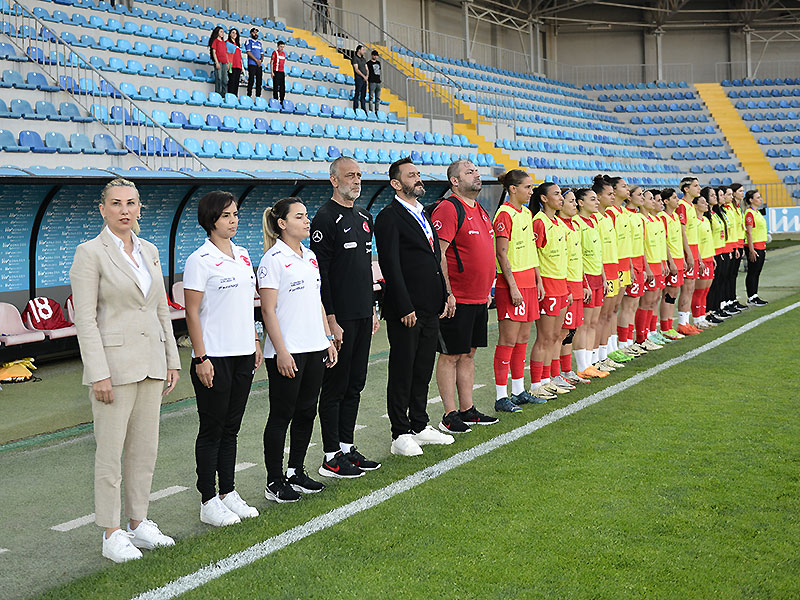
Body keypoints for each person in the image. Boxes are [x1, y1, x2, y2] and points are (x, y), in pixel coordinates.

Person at [69, 178, 180, 563]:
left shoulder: (149, 250)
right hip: (113, 368)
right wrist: (97, 371)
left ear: (139, 207)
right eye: (116, 204)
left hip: (151, 362)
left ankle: (138, 522)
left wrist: (172, 358)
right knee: (110, 454)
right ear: (103, 209)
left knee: (144, 451)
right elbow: (84, 319)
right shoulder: (89, 253)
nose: (124, 210)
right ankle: (111, 532)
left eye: (131, 203)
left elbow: (160, 308)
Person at [183, 191, 263, 527]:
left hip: (244, 353)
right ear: (211, 219)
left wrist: (256, 341)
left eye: (236, 214)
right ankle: (208, 499)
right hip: (214, 356)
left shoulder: (243, 255)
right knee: (212, 429)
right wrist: (201, 357)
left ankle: (228, 492)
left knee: (231, 428)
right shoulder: (199, 260)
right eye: (227, 215)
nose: (234, 220)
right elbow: (191, 312)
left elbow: (248, 304)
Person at [258, 198, 338, 503]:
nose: (307, 221)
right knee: (282, 415)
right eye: (300, 216)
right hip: (287, 351)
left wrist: (327, 337)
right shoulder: (273, 260)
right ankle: (274, 481)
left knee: (306, 411)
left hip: (314, 346)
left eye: (307, 216)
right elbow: (268, 311)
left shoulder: (310, 256)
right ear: (282, 224)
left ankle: (296, 472)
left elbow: (316, 301)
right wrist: (281, 351)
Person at [374, 158, 453, 457]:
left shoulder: (424, 213)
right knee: (402, 369)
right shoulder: (389, 217)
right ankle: (400, 432)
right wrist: (404, 304)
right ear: (396, 184)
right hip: (406, 309)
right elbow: (390, 264)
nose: (418, 179)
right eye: (411, 175)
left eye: (418, 174)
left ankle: (419, 423)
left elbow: (434, 259)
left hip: (430, 305)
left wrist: (445, 294)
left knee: (422, 367)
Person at [310, 157, 381, 478]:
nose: (356, 180)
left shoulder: (365, 217)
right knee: (336, 386)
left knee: (356, 383)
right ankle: (330, 456)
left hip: (364, 313)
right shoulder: (324, 218)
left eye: (359, 175)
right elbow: (322, 275)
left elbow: (364, 269)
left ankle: (347, 447)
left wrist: (373, 309)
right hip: (340, 318)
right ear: (334, 181)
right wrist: (331, 319)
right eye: (349, 175)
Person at [430, 160, 499, 431]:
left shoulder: (480, 209)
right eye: (470, 172)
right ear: (455, 181)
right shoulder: (449, 209)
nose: (477, 175)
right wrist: (447, 292)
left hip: (479, 297)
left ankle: (467, 408)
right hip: (457, 298)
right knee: (450, 355)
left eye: (477, 171)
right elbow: (440, 254)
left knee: (468, 354)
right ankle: (449, 414)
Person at [492, 170, 547, 410]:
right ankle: (500, 396)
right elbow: (501, 254)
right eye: (527, 187)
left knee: (523, 339)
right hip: (511, 285)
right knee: (508, 340)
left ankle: (518, 391)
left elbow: (532, 252)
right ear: (513, 189)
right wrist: (512, 286)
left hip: (529, 283)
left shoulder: (526, 212)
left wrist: (538, 282)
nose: (531, 191)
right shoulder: (504, 214)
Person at [528, 182, 571, 397]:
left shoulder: (558, 223)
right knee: (544, 337)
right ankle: (537, 384)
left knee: (556, 335)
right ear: (544, 198)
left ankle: (549, 378)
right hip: (548, 285)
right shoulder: (539, 222)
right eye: (556, 194)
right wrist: (539, 283)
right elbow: (533, 254)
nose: (561, 198)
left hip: (561, 284)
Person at [556, 189, 591, 387]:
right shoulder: (559, 226)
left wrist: (584, 283)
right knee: (561, 333)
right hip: (565, 285)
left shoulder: (574, 226)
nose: (575, 205)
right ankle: (557, 373)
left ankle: (567, 370)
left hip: (578, 284)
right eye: (571, 202)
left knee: (571, 330)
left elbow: (578, 260)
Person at [573, 188, 608, 379]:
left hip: (597, 277)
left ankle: (591, 363)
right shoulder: (577, 223)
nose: (597, 202)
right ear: (580, 202)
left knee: (594, 321)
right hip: (585, 278)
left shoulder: (593, 221)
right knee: (584, 324)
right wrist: (585, 281)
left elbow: (598, 252)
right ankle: (582, 365)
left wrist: (602, 276)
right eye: (592, 199)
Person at [676, 177, 703, 335]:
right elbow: (682, 232)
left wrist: (696, 253)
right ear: (686, 189)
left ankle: (686, 321)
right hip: (687, 250)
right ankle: (681, 323)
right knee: (686, 287)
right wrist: (688, 254)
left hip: (693, 249)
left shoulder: (691, 206)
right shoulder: (682, 206)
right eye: (695, 185)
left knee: (691, 287)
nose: (699, 188)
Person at [658, 188, 686, 340]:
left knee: (674, 293)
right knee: (668, 293)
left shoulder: (675, 216)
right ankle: (665, 327)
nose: (677, 200)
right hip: (671, 260)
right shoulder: (663, 217)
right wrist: (670, 261)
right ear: (666, 201)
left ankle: (669, 326)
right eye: (674, 198)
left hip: (679, 259)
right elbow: (665, 242)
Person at [691, 187, 716, 329]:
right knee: (698, 291)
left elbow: (708, 241)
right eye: (702, 202)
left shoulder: (706, 220)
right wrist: (699, 259)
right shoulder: (694, 222)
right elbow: (696, 242)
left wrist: (711, 257)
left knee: (706, 290)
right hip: (701, 260)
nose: (706, 204)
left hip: (709, 258)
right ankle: (696, 319)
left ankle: (702, 316)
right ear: (695, 205)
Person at [743, 189, 768, 306]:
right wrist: (751, 249)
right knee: (752, 272)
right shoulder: (749, 213)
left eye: (760, 197)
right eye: (757, 197)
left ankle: (755, 295)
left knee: (757, 272)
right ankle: (751, 296)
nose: (760, 199)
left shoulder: (757, 212)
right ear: (751, 200)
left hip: (760, 246)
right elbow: (749, 232)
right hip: (755, 247)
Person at [209, 26, 229, 97]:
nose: (222, 33)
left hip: (224, 62)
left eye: (223, 32)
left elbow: (225, 53)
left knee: (224, 79)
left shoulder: (224, 42)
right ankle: (218, 93)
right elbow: (214, 52)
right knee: (219, 78)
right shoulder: (215, 41)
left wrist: (227, 63)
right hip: (219, 62)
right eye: (221, 31)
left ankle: (224, 94)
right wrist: (216, 62)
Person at [244, 28, 263, 97]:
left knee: (259, 81)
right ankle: (249, 95)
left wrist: (260, 60)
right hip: (252, 64)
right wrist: (256, 60)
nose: (256, 34)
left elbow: (262, 53)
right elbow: (248, 52)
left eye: (257, 33)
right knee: (251, 80)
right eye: (254, 32)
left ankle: (258, 97)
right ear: (251, 33)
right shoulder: (248, 41)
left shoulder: (259, 43)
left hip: (259, 65)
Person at [351, 44, 368, 112]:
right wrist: (363, 76)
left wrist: (367, 76)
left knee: (363, 95)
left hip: (364, 79)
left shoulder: (363, 59)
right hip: (359, 79)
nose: (364, 51)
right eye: (363, 50)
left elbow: (367, 69)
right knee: (357, 93)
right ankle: (355, 108)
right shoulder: (355, 58)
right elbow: (356, 69)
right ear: (359, 50)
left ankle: (363, 109)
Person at [226, 29, 243, 96]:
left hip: (238, 65)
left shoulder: (237, 44)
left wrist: (241, 67)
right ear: (230, 34)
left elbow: (239, 56)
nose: (234, 34)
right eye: (233, 32)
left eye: (236, 33)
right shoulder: (227, 43)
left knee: (236, 83)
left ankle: (235, 96)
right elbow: (226, 54)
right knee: (231, 82)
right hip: (232, 65)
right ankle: (230, 96)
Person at [270, 40, 287, 104]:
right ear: (277, 46)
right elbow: (271, 62)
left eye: (283, 47)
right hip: (276, 71)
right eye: (280, 47)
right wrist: (272, 72)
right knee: (276, 86)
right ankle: (276, 99)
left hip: (281, 72)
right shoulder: (275, 53)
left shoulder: (283, 53)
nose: (282, 48)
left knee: (282, 87)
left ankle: (282, 100)